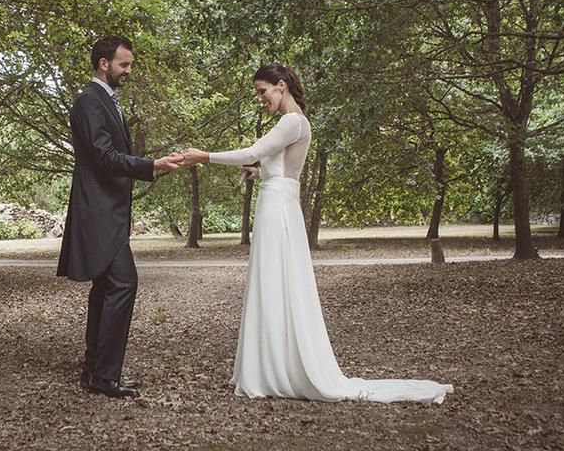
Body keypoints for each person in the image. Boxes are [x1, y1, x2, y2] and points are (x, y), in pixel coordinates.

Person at [178, 63, 454, 404]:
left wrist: (203, 156)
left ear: (281, 86)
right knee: (273, 283)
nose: (260, 99)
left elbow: (254, 151)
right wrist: (259, 171)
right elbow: (276, 166)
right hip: (278, 203)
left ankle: (273, 369)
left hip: (277, 209)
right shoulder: (293, 122)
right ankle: (269, 366)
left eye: (263, 91)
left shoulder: (292, 120)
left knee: (275, 282)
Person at [57, 34, 182, 398]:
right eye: (123, 64)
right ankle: (104, 376)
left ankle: (93, 371)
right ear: (103, 64)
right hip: (96, 213)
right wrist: (152, 164)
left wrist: (125, 212)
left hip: (109, 213)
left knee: (106, 287)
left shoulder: (105, 100)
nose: (128, 71)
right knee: (123, 283)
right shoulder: (89, 101)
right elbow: (104, 157)